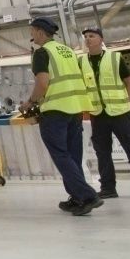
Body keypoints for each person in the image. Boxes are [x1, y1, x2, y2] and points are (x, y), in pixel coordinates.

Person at [19, 17, 102, 216]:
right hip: (75, 109)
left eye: (32, 32)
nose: (31, 36)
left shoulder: (42, 53)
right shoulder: (67, 51)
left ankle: (88, 196)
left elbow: (43, 83)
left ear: (39, 32)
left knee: (61, 155)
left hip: (55, 110)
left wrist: (29, 102)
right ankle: (77, 198)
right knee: (73, 156)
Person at [78, 26, 130, 200]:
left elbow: (129, 80)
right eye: (86, 37)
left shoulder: (114, 58)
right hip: (98, 114)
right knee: (103, 153)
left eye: (91, 36)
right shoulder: (82, 62)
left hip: (120, 113)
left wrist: (127, 98)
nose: (88, 39)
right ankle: (108, 188)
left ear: (101, 39)